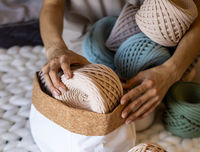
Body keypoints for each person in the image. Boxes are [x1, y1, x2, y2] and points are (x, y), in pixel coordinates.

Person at [40, 0, 200, 124]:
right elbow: (52, 4)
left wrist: (172, 70)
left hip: (147, 39)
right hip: (83, 42)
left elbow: (196, 10)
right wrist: (55, 49)